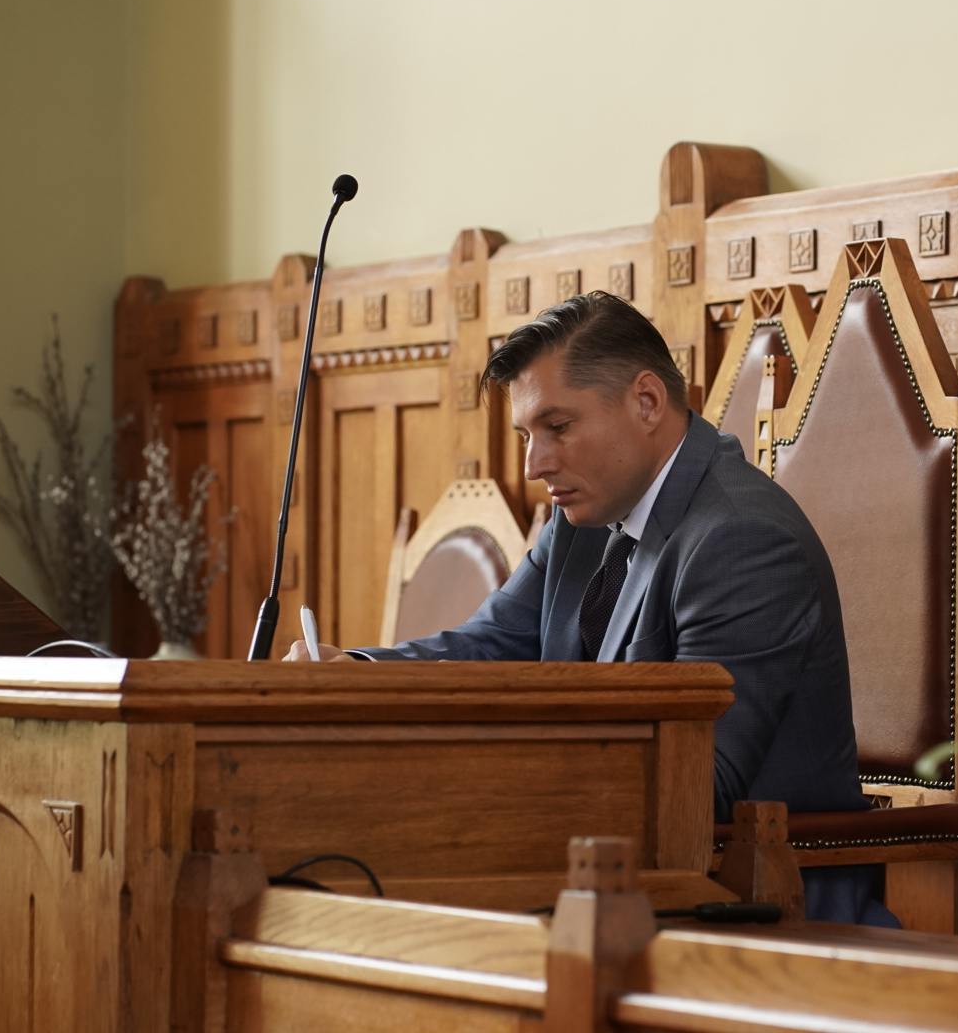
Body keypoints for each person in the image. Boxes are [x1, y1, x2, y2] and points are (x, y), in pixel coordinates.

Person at [285, 290, 895, 927]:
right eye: (527, 435)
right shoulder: (584, 516)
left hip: (751, 899)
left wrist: (490, 761)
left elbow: (699, 785)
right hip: (613, 874)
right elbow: (492, 644)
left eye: (558, 427)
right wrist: (355, 675)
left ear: (647, 402)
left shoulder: (741, 538)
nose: (534, 464)